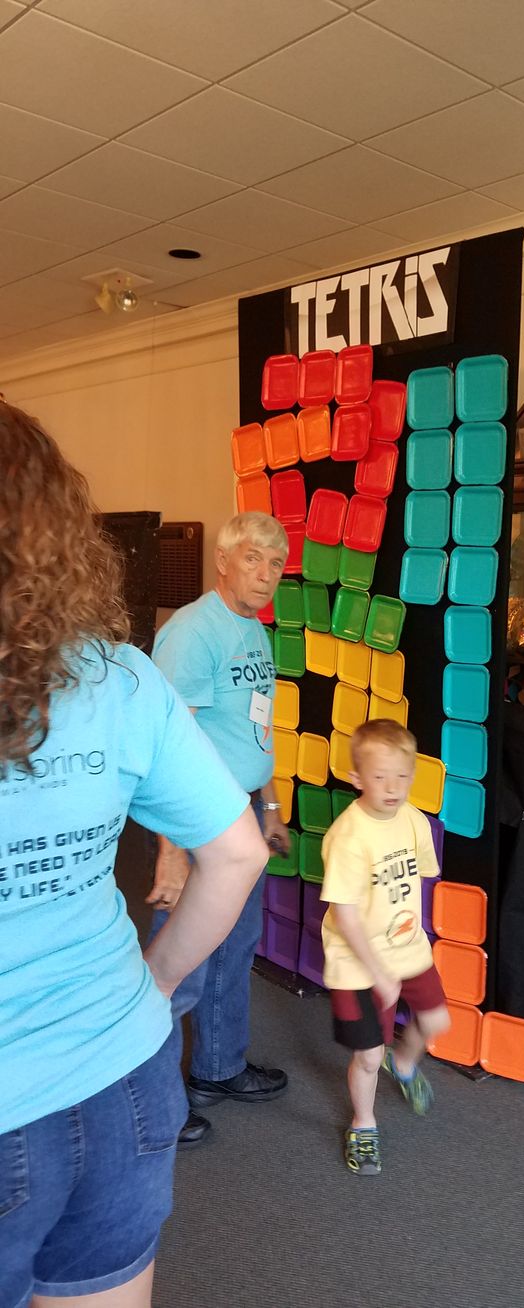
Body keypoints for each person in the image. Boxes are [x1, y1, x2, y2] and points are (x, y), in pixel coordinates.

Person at [0, 400, 269, 1308]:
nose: (268, 570)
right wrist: (152, 981)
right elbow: (233, 854)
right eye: (256, 555)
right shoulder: (122, 672)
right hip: (124, 1065)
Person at [147, 510, 291, 1148]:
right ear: (224, 562)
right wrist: (171, 854)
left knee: (235, 950)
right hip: (198, 819)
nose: (266, 574)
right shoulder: (191, 632)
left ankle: (217, 1070)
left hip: (242, 819)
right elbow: (165, 751)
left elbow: (254, 730)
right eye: (254, 559)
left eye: (277, 563)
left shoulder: (254, 630)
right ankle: (155, 1104)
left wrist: (270, 809)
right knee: (181, 965)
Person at [320, 719, 451, 1175]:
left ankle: (407, 1064)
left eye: (403, 775)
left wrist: (409, 942)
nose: (393, 787)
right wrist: (378, 972)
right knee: (368, 1055)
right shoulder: (348, 837)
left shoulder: (413, 820)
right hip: (355, 962)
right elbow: (345, 915)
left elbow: (417, 880)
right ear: (357, 778)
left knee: (436, 1021)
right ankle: (363, 1123)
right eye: (380, 777)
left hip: (405, 948)